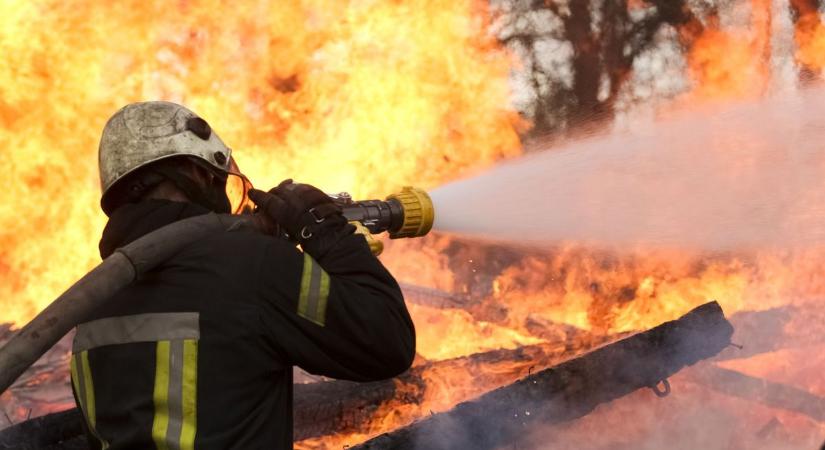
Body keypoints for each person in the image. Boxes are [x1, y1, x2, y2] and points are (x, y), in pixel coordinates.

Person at [70, 101, 416, 449]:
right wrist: (329, 236)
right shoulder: (255, 265)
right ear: (199, 175)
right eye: (218, 181)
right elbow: (386, 341)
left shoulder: (92, 304)